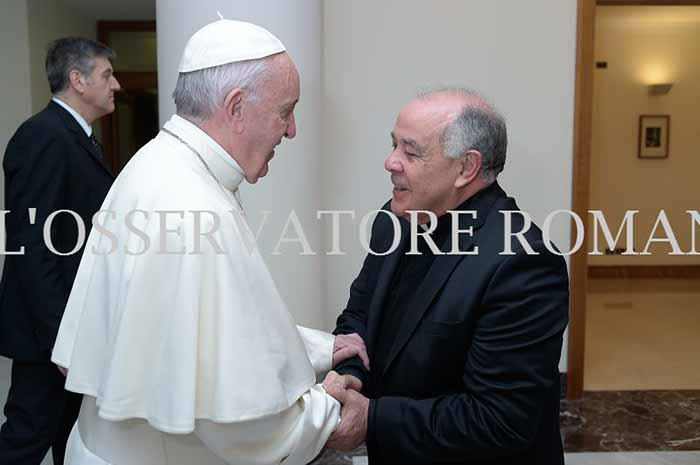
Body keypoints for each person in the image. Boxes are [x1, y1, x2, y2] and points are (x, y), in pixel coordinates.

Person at [50, 19, 367, 465]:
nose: (292, 129)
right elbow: (243, 425)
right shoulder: (193, 205)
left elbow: (202, 329)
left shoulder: (158, 162)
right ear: (236, 107)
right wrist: (327, 408)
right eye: (285, 110)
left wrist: (319, 348)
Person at [326, 88, 570, 465]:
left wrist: (371, 418)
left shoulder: (523, 261)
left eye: (411, 152)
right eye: (393, 145)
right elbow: (359, 316)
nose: (390, 162)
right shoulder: (393, 220)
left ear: (466, 168)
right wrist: (352, 373)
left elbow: (500, 421)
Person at [0, 37, 119, 465]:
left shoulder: (75, 136)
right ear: (77, 80)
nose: (116, 85)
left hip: (69, 327)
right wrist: (59, 342)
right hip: (48, 333)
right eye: (107, 75)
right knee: (26, 439)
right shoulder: (45, 136)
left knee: (69, 439)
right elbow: (33, 246)